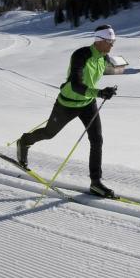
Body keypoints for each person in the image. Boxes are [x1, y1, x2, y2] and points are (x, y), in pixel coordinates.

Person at [17, 25, 118, 197]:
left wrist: (104, 91)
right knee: (49, 134)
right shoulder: (81, 55)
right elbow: (76, 85)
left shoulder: (103, 58)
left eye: (113, 41)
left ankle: (96, 182)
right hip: (68, 103)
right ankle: (25, 141)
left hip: (87, 103)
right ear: (99, 40)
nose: (112, 45)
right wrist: (100, 92)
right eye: (110, 41)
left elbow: (90, 83)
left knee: (97, 139)